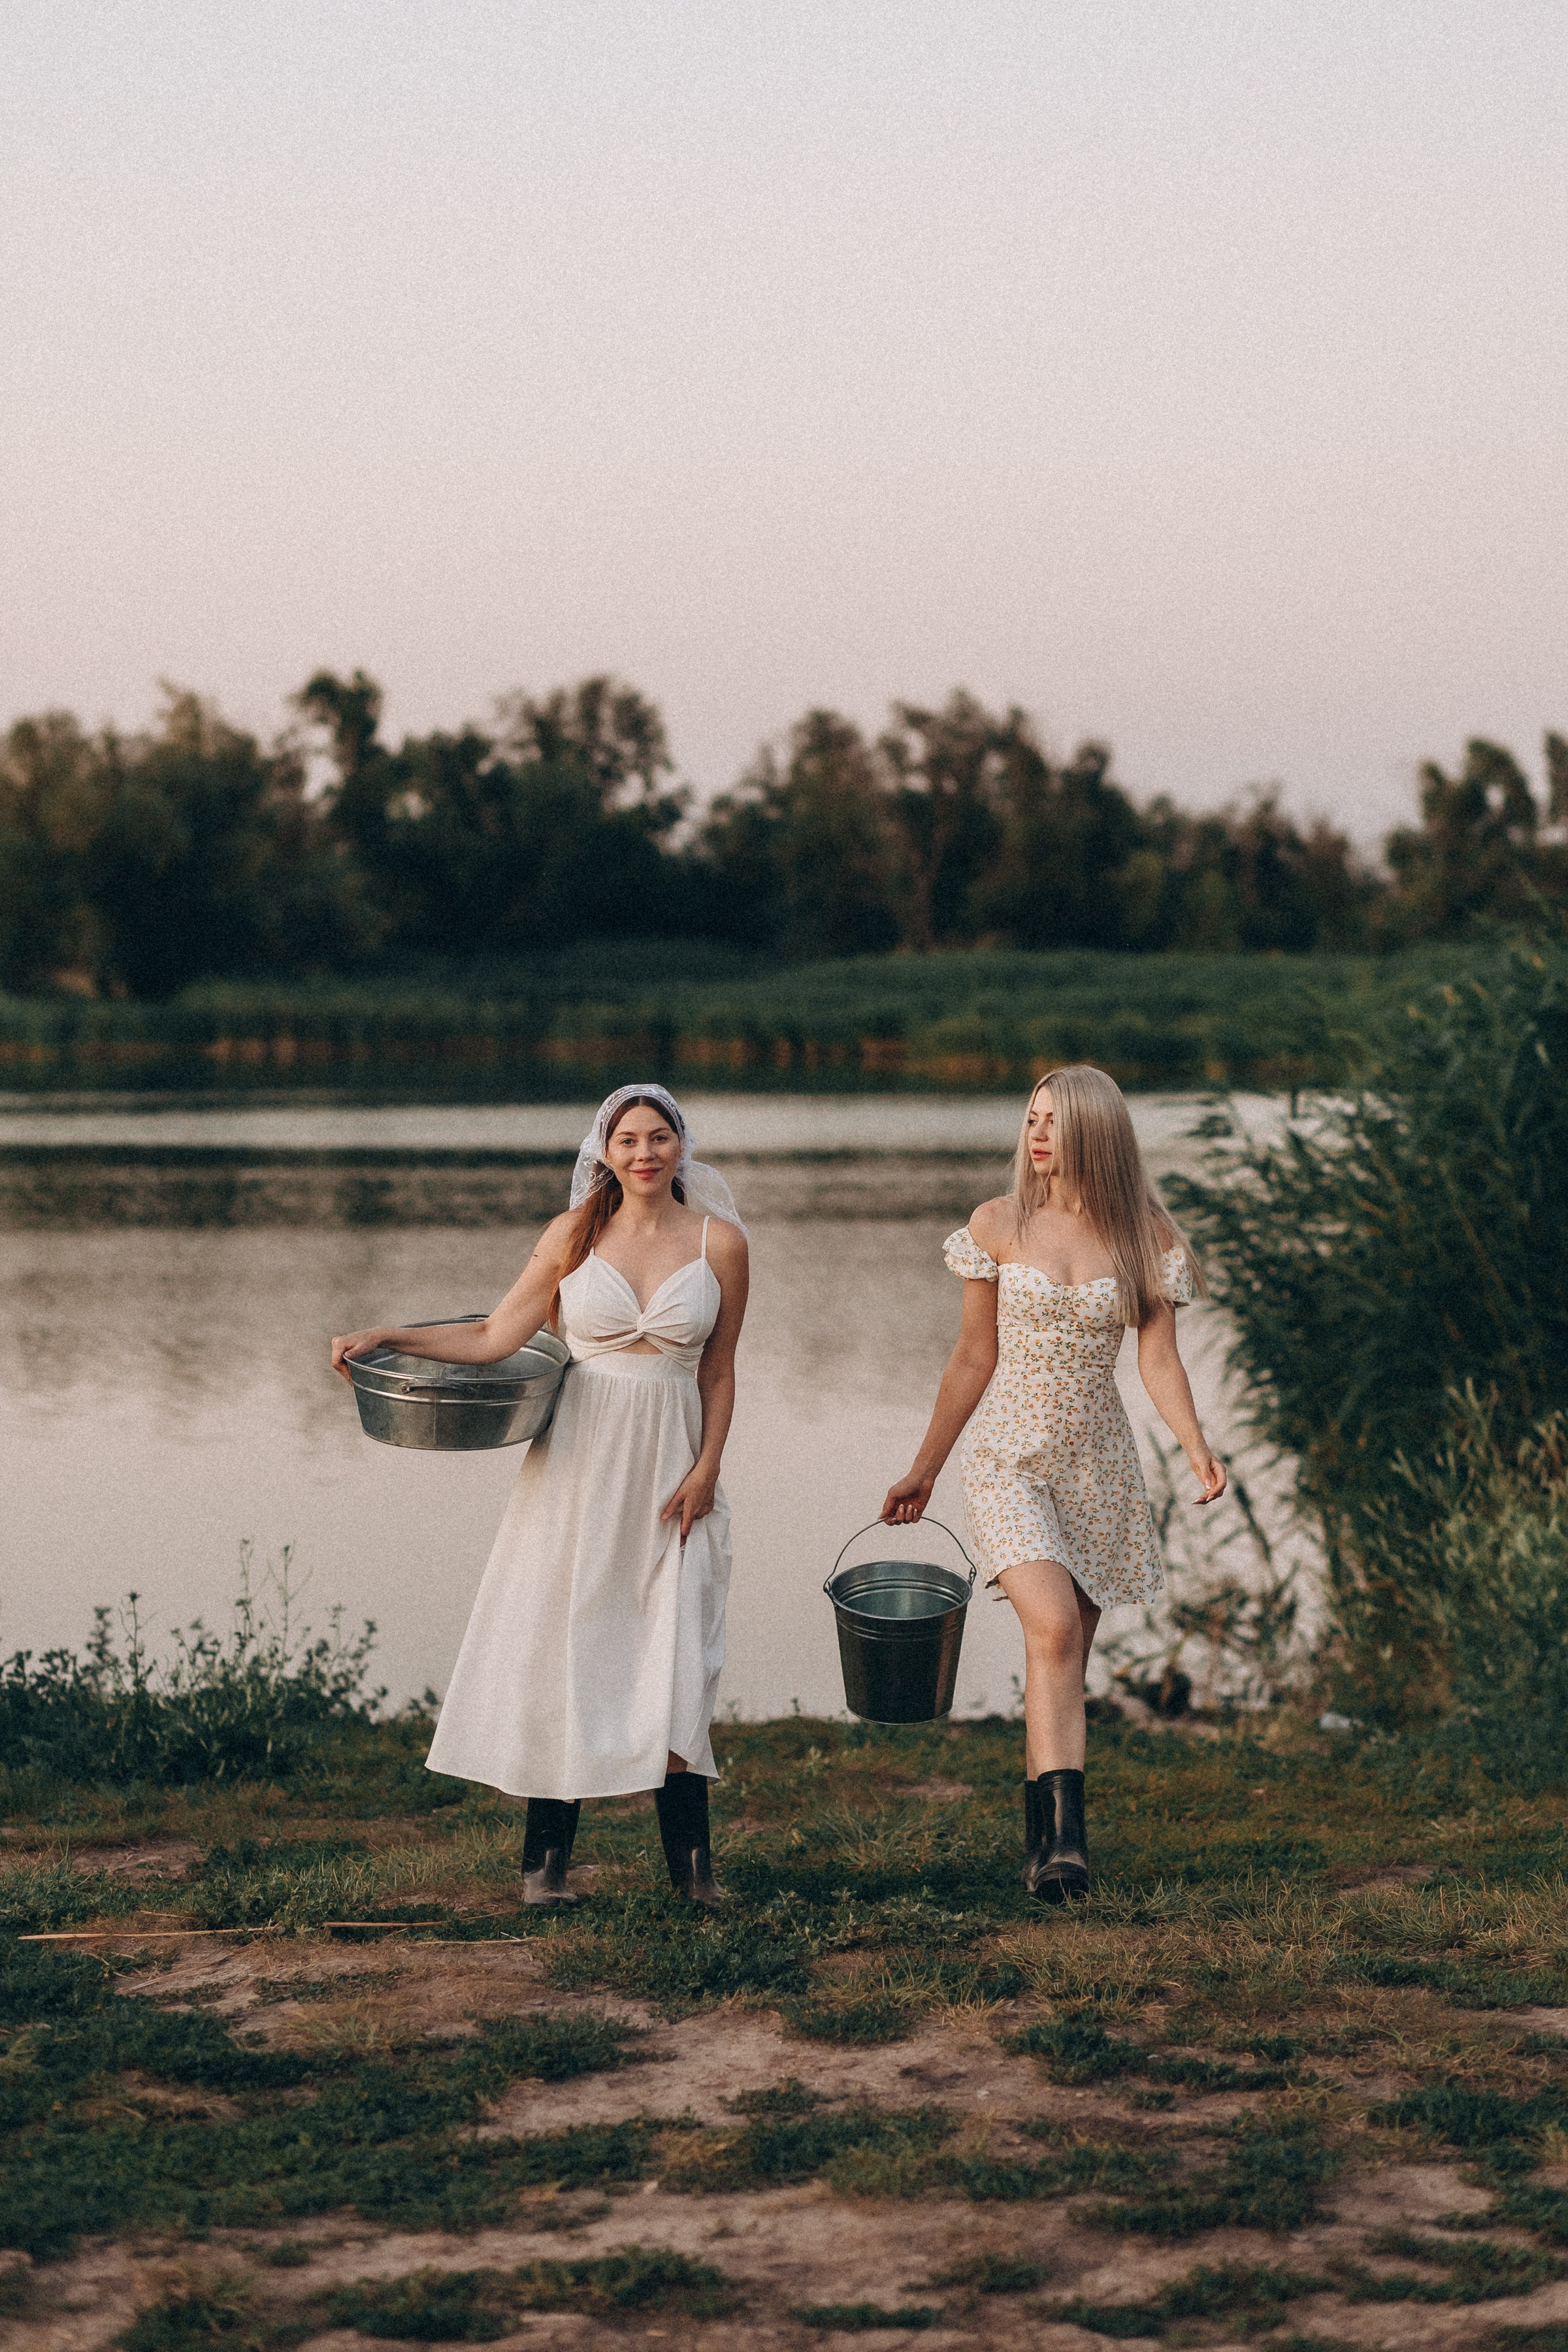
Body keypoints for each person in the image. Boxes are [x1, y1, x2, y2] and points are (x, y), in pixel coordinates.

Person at [331, 1084, 748, 1910]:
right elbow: (494, 1336)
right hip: (580, 1465)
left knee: (678, 1648)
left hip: (674, 1467)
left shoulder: (722, 1244)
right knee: (571, 1644)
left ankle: (695, 1877)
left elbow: (720, 1369)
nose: (644, 1153)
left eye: (658, 1137)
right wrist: (389, 1335)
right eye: (627, 1140)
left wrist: (707, 1469)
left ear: (680, 1146)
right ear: (605, 1152)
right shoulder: (573, 1234)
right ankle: (545, 1871)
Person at [880, 1065, 1224, 1901]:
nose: (1036, 1135)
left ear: (1095, 1133)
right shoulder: (996, 1224)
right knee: (1056, 1624)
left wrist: (1196, 1446)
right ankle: (1069, 1844)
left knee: (1062, 1652)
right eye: (1031, 1119)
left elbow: (1158, 1360)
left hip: (1098, 1464)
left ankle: (1046, 1846)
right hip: (1009, 1457)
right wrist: (925, 1467)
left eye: (1053, 1122)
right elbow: (973, 1357)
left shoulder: (1146, 1236)